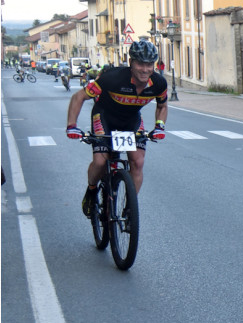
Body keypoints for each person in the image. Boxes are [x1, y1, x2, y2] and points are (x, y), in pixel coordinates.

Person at [65, 41, 168, 217]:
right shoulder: (112, 78)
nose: (145, 69)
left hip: (131, 120)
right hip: (105, 117)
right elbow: (78, 97)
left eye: (149, 64)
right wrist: (72, 126)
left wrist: (159, 126)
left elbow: (162, 106)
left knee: (138, 162)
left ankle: (130, 208)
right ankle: (91, 191)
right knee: (99, 162)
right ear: (131, 62)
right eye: (140, 64)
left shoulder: (158, 83)